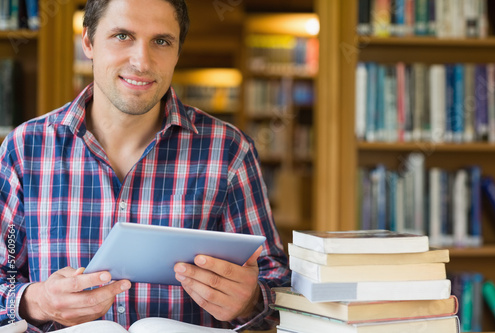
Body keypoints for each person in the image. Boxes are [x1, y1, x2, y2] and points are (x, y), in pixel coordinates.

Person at [0, 0, 291, 331]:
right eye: (122, 36)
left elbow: (277, 287)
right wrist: (36, 301)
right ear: (88, 43)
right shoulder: (24, 150)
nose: (142, 61)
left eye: (162, 41)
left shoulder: (229, 152)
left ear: (178, 52)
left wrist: (251, 299)